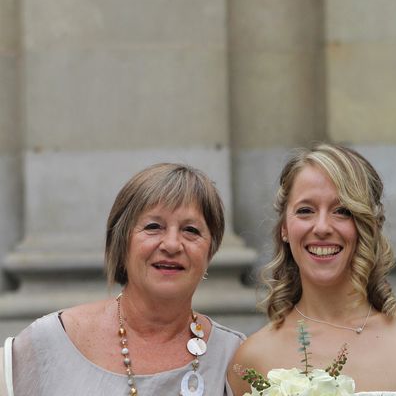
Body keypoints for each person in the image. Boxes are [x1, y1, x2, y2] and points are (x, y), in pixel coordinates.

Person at [228, 143, 396, 396]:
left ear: (367, 225)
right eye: (306, 211)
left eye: (342, 211)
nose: (322, 227)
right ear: (284, 227)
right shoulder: (253, 357)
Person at [4, 163, 244, 395]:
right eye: (153, 226)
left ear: (210, 249)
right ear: (121, 243)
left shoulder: (235, 357)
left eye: (191, 230)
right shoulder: (49, 342)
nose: (172, 244)